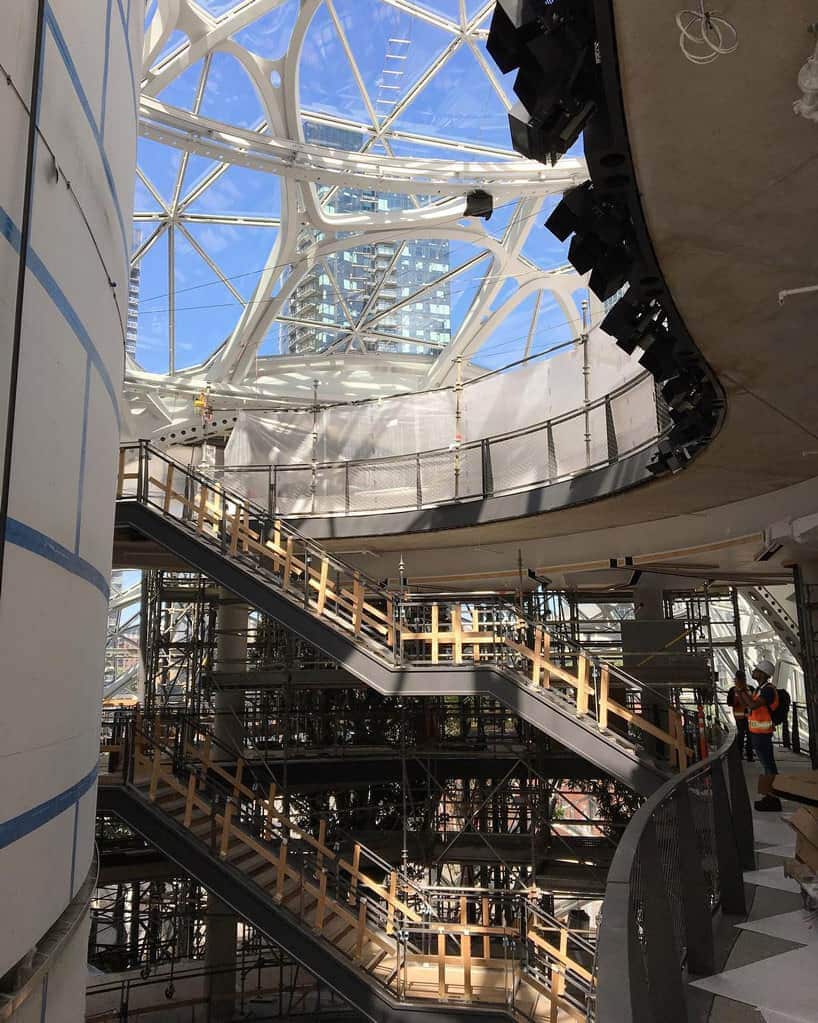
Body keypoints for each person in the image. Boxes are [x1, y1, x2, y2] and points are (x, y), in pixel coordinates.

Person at [738, 659, 782, 812]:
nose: (753, 671)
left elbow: (753, 705)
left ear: (763, 674)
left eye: (756, 670)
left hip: (763, 734)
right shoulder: (759, 689)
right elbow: (747, 706)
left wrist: (743, 692)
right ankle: (770, 796)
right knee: (767, 766)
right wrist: (740, 691)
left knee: (769, 766)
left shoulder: (768, 690)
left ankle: (773, 798)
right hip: (758, 733)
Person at [726, 669, 753, 762]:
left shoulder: (749, 688)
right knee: (743, 735)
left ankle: (747, 755)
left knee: (747, 735)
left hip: (748, 716)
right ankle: (743, 754)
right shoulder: (734, 690)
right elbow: (729, 702)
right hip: (741, 717)